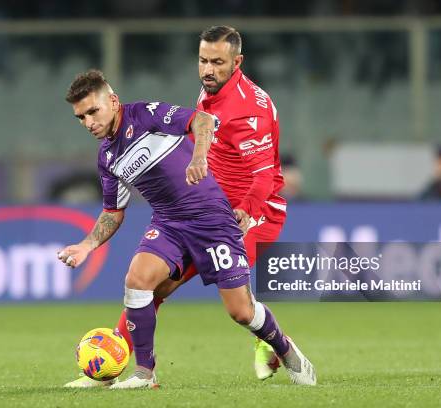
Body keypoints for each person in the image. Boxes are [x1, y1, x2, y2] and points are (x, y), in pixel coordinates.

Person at [59, 69, 316, 389]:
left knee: (241, 312)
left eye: (93, 111)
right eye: (81, 117)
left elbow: (203, 121)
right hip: (169, 222)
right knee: (138, 281)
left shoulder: (144, 115)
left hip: (211, 220)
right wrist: (86, 246)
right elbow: (113, 211)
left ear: (112, 101)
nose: (89, 122)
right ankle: (144, 373)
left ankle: (287, 351)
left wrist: (198, 158)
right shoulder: (107, 156)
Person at [110, 25, 294, 382]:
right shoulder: (211, 91)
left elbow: (264, 177)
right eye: (203, 60)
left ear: (237, 62)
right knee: (152, 285)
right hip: (204, 206)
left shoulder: (247, 111)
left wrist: (244, 211)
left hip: (253, 212)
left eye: (218, 62)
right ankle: (112, 362)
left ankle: (272, 344)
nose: (208, 69)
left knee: (240, 309)